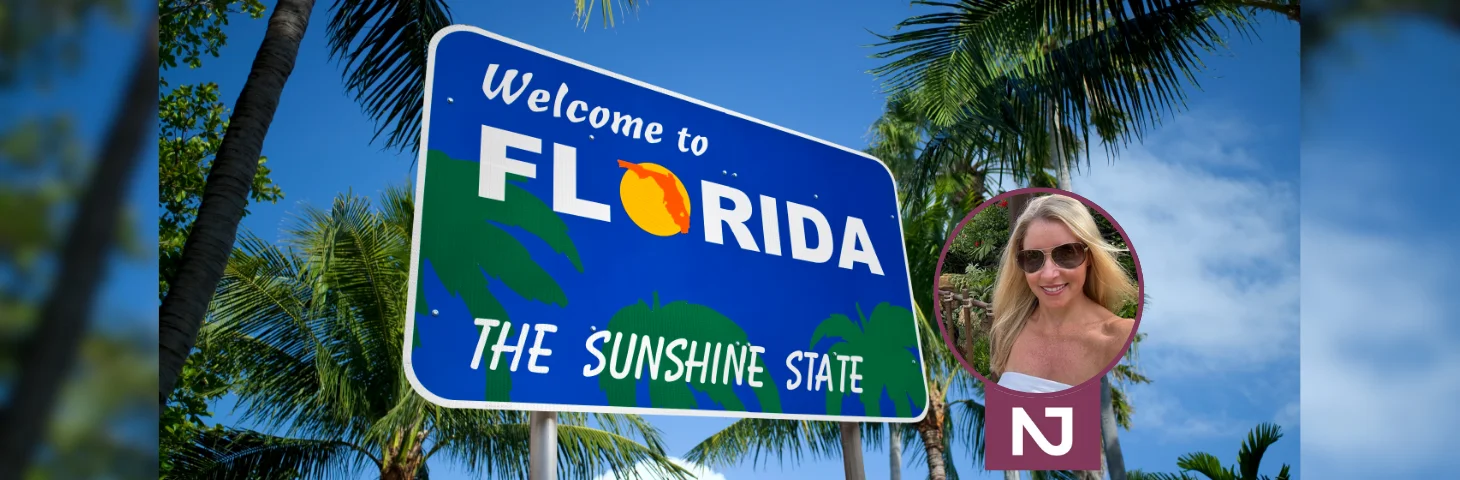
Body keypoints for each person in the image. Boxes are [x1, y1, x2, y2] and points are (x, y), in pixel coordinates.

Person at [989, 194, 1137, 393]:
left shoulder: (1121, 338)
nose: (1049, 274)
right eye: (1032, 257)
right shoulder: (1009, 329)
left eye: (1067, 253)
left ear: (1090, 256)